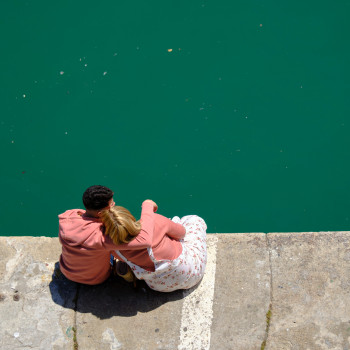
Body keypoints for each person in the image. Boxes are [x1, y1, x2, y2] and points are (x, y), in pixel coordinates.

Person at [100, 200, 207, 292]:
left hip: (160, 287)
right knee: (193, 220)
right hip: (191, 274)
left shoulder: (115, 251)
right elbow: (182, 233)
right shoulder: (155, 222)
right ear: (130, 218)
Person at [58, 185, 156, 285]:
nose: (114, 205)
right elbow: (145, 240)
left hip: (67, 271)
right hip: (94, 279)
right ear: (100, 213)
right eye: (112, 204)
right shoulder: (101, 237)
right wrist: (147, 206)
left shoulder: (68, 216)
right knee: (123, 244)